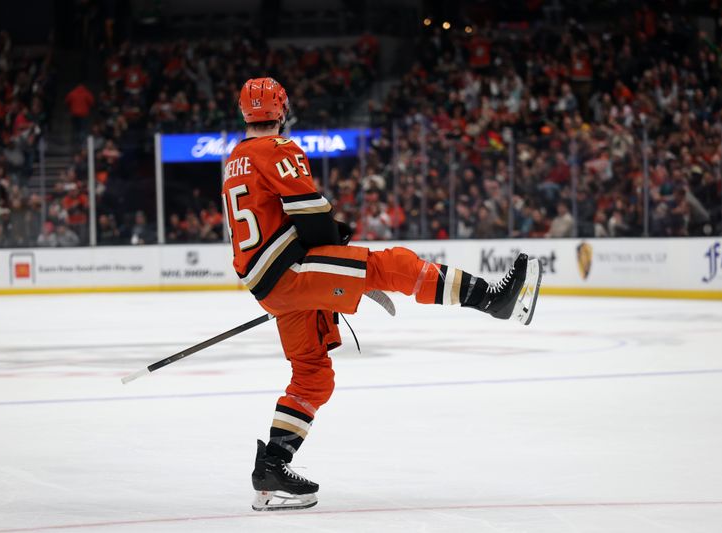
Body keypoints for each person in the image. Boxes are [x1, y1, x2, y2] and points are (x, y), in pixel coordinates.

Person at [222, 78, 543, 512]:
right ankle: (492, 299)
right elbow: (311, 214)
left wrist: (335, 274)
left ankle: (272, 468)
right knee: (390, 265)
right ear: (281, 110)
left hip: (268, 282)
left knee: (313, 374)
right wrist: (345, 258)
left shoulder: (234, 159)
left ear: (244, 112)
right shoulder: (280, 150)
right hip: (290, 271)